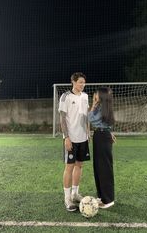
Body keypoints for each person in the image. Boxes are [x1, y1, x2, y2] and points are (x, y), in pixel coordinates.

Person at [58, 72, 90, 212]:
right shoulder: (65, 96)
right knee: (69, 167)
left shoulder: (85, 96)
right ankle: (67, 199)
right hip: (71, 138)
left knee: (79, 165)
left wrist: (89, 131)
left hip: (83, 137)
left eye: (84, 82)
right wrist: (66, 137)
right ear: (73, 82)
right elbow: (62, 118)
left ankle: (75, 193)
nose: (82, 84)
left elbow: (86, 115)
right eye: (80, 82)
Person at [88, 87, 116, 209]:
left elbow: (90, 118)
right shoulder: (104, 107)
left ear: (101, 96)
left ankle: (108, 199)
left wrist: (93, 105)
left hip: (102, 136)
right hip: (101, 136)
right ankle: (101, 197)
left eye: (96, 94)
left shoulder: (100, 108)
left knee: (104, 168)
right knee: (99, 167)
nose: (94, 95)